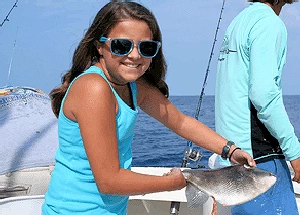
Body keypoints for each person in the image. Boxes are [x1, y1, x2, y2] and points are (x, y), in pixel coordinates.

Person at [42, 2, 255, 215]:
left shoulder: (134, 86)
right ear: (100, 46)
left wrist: (229, 150)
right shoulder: (94, 88)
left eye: (146, 48)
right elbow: (109, 181)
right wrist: (177, 182)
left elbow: (180, 122)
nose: (135, 56)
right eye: (121, 46)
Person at [215, 0, 300, 214]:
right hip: (261, 158)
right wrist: (295, 153)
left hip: (235, 158)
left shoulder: (239, 22)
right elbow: (264, 95)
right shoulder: (269, 22)